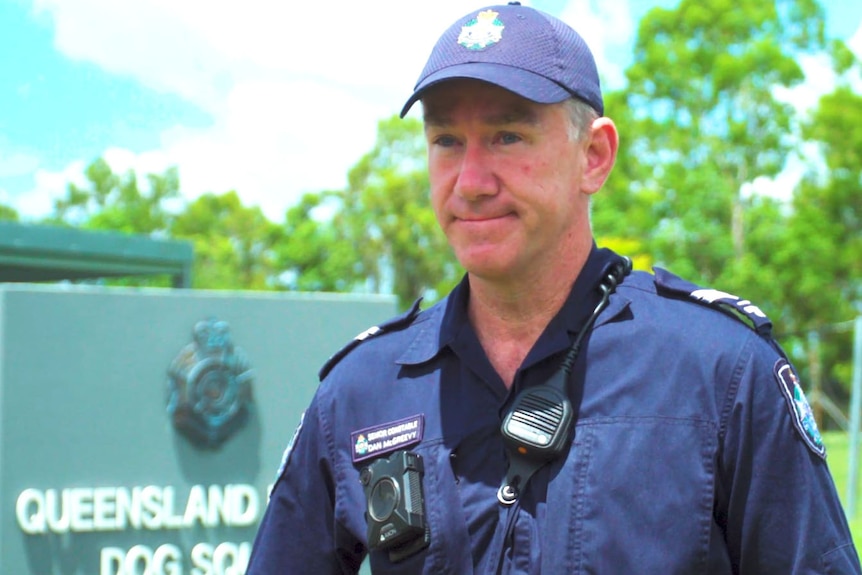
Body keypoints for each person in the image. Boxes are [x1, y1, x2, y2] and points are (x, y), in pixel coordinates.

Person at [247, 3, 862, 573]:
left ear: (594, 156)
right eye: (446, 142)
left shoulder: (722, 375)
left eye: (508, 137)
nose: (471, 181)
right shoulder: (361, 391)